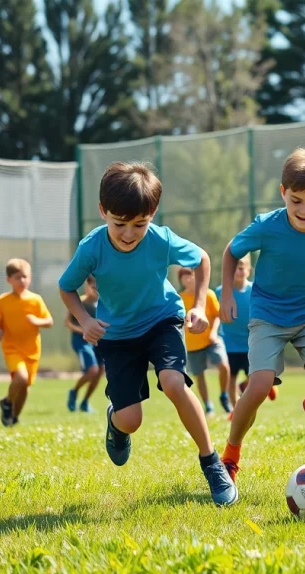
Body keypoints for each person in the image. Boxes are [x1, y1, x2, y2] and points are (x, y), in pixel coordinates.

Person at [58, 161, 237, 506]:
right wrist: (84, 320)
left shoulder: (160, 239)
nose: (128, 233)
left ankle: (212, 464)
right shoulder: (92, 247)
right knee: (131, 420)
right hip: (118, 335)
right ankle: (115, 421)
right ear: (103, 212)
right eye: (119, 224)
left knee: (173, 383)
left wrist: (198, 305)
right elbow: (66, 288)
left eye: (139, 224)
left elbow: (201, 259)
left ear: (152, 214)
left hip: (162, 320)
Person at [220, 147, 305, 483]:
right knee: (258, 387)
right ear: (284, 192)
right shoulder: (266, 226)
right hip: (267, 314)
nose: (304, 210)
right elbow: (231, 251)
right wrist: (226, 293)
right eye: (296, 200)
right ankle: (230, 455)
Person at [0, 259, 53, 427]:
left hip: (32, 349)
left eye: (25, 277)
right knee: (21, 378)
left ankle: (14, 418)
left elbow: (49, 321)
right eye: (18, 277)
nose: (22, 281)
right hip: (11, 348)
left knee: (25, 387)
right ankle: (7, 402)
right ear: (9, 280)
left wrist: (36, 321)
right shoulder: (3, 301)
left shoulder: (36, 300)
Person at [214, 254, 277, 416]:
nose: (238, 271)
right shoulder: (221, 292)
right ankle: (236, 410)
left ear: (249, 270)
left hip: (252, 343)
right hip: (229, 343)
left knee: (257, 376)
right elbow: (214, 314)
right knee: (231, 377)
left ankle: (248, 387)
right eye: (234, 267)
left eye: (242, 267)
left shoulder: (255, 291)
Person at [179, 267, 231, 415]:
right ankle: (208, 405)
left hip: (211, 339)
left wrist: (213, 332)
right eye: (184, 277)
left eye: (190, 276)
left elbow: (216, 316)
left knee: (224, 366)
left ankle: (224, 396)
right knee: (199, 375)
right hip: (192, 343)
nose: (188, 279)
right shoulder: (180, 298)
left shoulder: (208, 294)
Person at [65, 275, 104, 413]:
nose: (94, 287)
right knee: (92, 370)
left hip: (99, 342)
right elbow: (68, 322)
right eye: (90, 284)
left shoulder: (103, 303)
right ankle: (74, 391)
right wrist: (83, 329)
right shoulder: (79, 302)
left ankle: (85, 402)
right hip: (82, 341)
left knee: (100, 371)